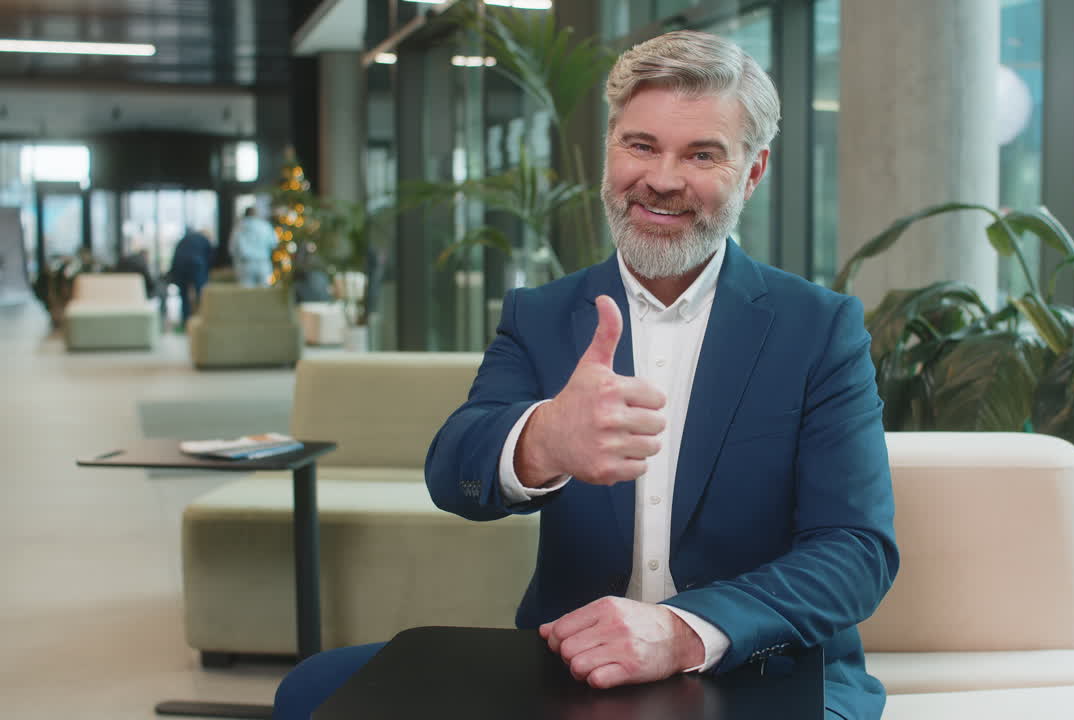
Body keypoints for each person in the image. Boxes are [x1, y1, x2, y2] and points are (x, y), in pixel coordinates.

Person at [272, 30, 898, 720]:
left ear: (752, 173)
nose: (661, 178)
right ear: (610, 149)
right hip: (572, 668)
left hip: (758, 664)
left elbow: (855, 551)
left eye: (701, 154)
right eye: (640, 145)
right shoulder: (541, 316)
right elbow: (454, 473)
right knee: (314, 693)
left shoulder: (818, 328)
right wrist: (542, 440)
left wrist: (683, 630)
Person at [167, 228, 213, 329]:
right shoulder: (204, 240)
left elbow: (175, 256)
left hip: (180, 266)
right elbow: (210, 258)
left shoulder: (184, 239)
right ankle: (203, 319)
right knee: (201, 293)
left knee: (183, 296)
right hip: (196, 265)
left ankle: (185, 323)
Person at [229, 206, 276, 287]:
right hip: (263, 262)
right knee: (265, 291)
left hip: (245, 264)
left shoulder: (238, 227)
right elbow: (273, 243)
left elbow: (232, 248)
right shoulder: (265, 226)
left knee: (247, 294)